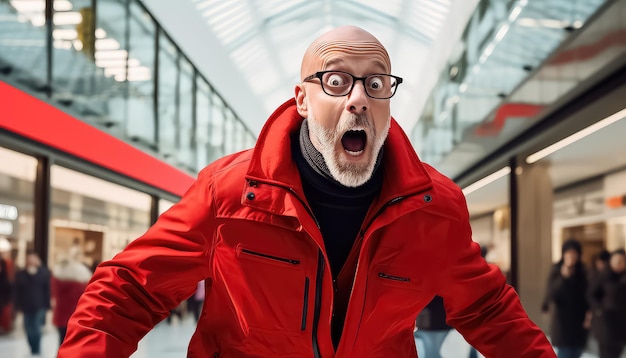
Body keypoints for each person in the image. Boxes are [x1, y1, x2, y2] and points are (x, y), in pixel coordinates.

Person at [59, 26, 555, 357]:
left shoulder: (436, 210)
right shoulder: (228, 194)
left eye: (376, 84)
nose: (359, 99)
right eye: (336, 81)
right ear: (301, 98)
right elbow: (129, 289)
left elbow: (487, 308)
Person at [541, 239, 590, 358]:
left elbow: (588, 295)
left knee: (576, 352)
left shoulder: (583, 272)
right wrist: (564, 277)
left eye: (574, 253)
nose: (572, 256)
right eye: (569, 253)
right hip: (562, 322)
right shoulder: (556, 270)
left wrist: (589, 315)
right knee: (565, 353)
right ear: (563, 254)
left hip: (579, 322)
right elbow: (551, 294)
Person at [587, 249, 626, 358]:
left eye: (621, 261)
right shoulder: (603, 277)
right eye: (616, 260)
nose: (618, 263)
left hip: (621, 325)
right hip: (605, 324)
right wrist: (599, 309)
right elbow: (591, 294)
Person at [51, 248, 92, 346]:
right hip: (77, 315)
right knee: (73, 345)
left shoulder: (58, 273)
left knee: (62, 342)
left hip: (61, 314)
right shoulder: (83, 274)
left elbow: (54, 293)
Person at [15, 250, 51, 356]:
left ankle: (36, 349)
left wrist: (47, 305)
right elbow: (17, 291)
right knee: (27, 328)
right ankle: (32, 347)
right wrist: (17, 306)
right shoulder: (21, 274)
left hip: (39, 305)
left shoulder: (44, 273)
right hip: (26, 305)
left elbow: (47, 290)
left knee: (36, 327)